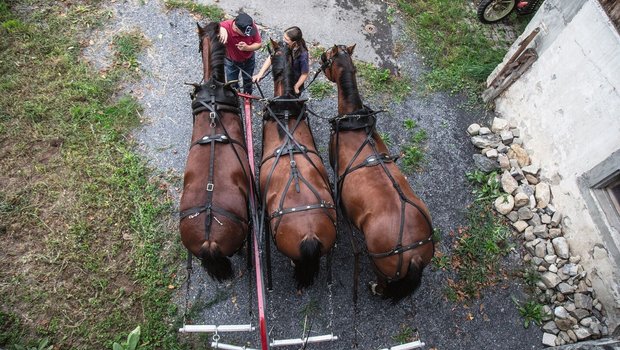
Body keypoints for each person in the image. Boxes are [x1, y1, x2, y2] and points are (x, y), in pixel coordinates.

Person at [252, 26, 309, 96]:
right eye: (283, 37)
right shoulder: (284, 45)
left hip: (294, 80)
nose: (283, 40)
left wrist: (296, 86)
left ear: (294, 43)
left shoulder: (303, 55)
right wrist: (260, 73)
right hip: (283, 76)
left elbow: (304, 74)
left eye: (286, 39)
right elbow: (272, 57)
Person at [219, 13, 262, 95]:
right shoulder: (226, 27)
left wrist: (247, 48)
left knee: (248, 79)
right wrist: (221, 29)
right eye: (245, 33)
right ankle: (235, 94)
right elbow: (214, 27)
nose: (247, 35)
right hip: (231, 61)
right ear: (236, 28)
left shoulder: (250, 26)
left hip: (249, 60)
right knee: (232, 82)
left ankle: (247, 94)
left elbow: (259, 44)